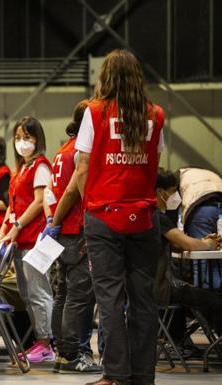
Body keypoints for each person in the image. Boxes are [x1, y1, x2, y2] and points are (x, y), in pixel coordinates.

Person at [72, 49, 165, 385]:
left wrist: (91, 204)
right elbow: (154, 163)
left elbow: (81, 167)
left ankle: (116, 374)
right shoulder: (155, 114)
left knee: (109, 298)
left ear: (105, 76)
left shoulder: (94, 112)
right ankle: (143, 374)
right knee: (144, 299)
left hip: (104, 216)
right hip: (143, 217)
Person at [154, 168, 222, 368]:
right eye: (173, 191)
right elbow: (188, 245)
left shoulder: (147, 216)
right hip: (161, 288)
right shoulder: (158, 218)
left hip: (150, 286)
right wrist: (206, 244)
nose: (176, 197)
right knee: (218, 301)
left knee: (214, 296)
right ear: (160, 192)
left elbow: (179, 243)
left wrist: (200, 241)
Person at [43, 99, 101, 373]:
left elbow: (51, 193)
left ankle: (62, 353)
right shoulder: (81, 153)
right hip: (75, 231)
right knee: (78, 297)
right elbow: (70, 192)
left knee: (63, 295)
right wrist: (55, 221)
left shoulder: (62, 151)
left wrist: (52, 222)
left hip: (62, 233)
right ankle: (71, 356)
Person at [0, 115, 55, 363]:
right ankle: (38, 341)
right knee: (26, 293)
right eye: (18, 138)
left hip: (35, 239)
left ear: (37, 139)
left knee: (39, 292)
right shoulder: (21, 169)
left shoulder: (40, 166)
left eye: (27, 137)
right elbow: (12, 206)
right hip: (19, 241)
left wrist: (17, 227)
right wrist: (3, 233)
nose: (22, 142)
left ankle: (46, 344)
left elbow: (39, 201)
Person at [178, 167, 222, 289]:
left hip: (202, 209)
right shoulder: (210, 173)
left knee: (201, 259)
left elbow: (173, 203)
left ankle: (202, 302)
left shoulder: (180, 175)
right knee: (220, 256)